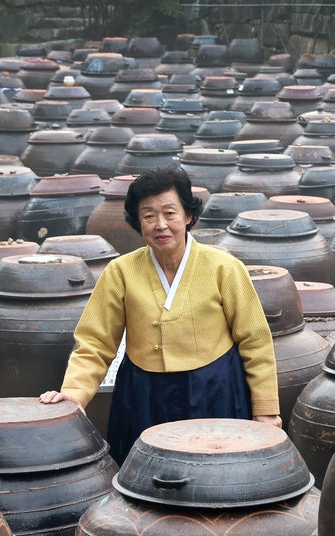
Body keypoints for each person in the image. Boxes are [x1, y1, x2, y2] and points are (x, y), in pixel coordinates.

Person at [40, 166, 280, 463]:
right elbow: (95, 343)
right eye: (149, 216)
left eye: (169, 213)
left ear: (188, 215)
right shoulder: (120, 271)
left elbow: (255, 341)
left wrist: (266, 410)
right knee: (146, 476)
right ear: (138, 221)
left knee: (215, 473)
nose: (160, 225)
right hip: (143, 395)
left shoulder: (224, 268)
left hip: (213, 391)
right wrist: (74, 393)